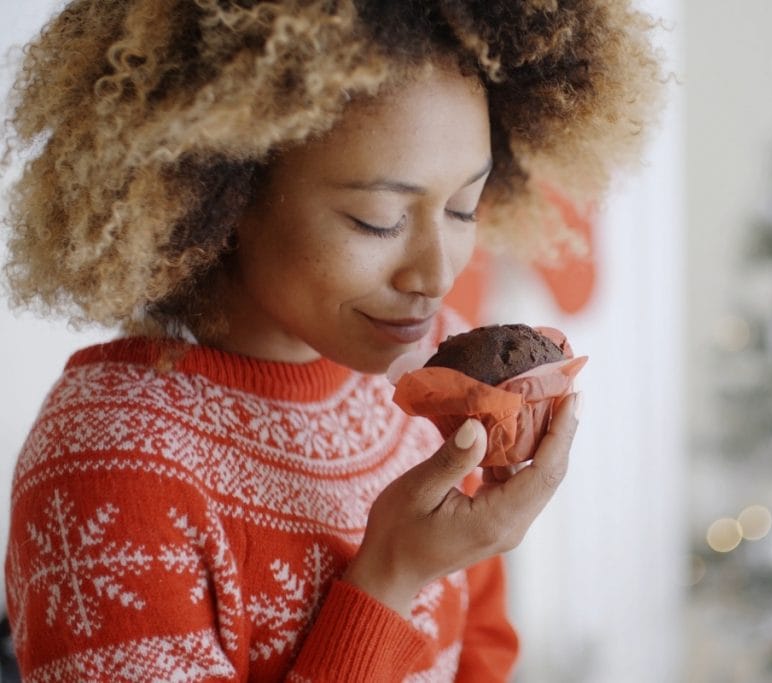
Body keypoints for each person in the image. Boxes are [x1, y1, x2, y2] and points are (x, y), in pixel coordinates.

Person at [1, 1, 661, 680]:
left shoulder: (436, 383)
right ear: (220, 192)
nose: (436, 274)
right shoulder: (107, 464)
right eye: (377, 220)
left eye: (464, 206)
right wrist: (392, 576)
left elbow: (481, 649)